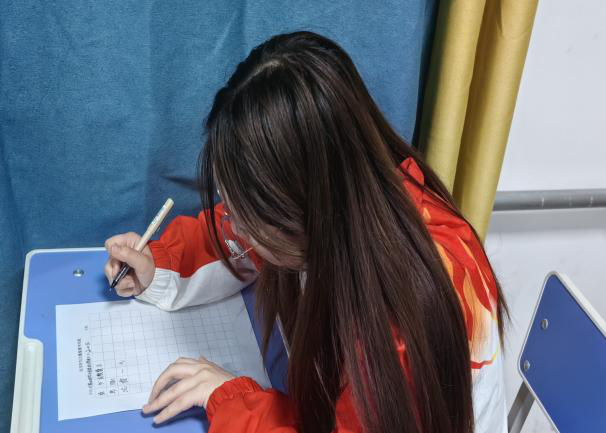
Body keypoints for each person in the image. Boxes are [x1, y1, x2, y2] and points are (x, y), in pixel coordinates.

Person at [104, 31, 508, 433]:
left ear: (299, 206)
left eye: (248, 213)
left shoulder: (402, 323)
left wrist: (231, 399)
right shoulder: (343, 197)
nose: (236, 225)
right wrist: (158, 266)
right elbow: (236, 237)